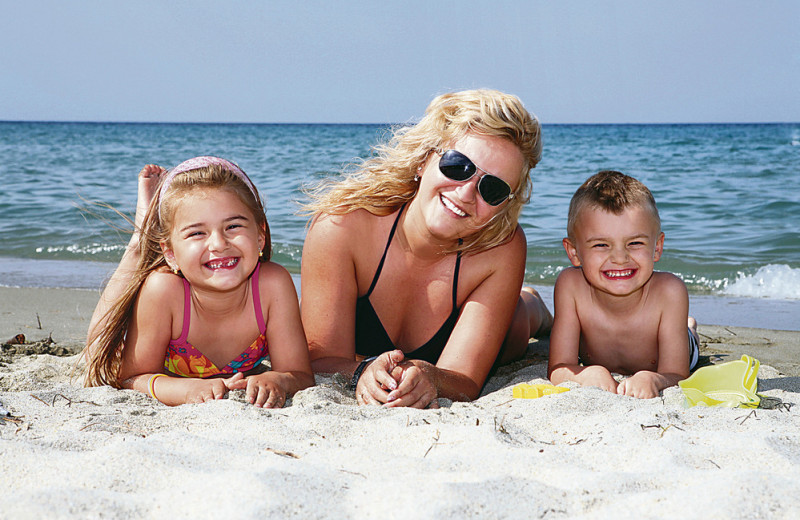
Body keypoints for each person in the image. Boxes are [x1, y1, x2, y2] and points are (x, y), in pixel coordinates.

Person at [301, 89, 552, 409]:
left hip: (510, 329)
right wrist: (362, 370)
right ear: (424, 160)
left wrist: (429, 376)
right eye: (458, 165)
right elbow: (320, 358)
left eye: (493, 188)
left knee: (521, 322)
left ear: (504, 206)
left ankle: (535, 306)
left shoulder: (501, 248)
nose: (465, 193)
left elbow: (466, 380)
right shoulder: (342, 227)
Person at [84, 156, 314, 407]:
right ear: (170, 254)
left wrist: (277, 379)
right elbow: (131, 377)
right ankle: (141, 239)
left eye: (233, 226)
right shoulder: (164, 290)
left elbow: (300, 374)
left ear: (260, 236)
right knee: (96, 348)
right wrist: (185, 389)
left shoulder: (272, 284)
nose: (219, 244)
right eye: (197, 233)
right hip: (128, 342)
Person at [547, 170, 700, 399]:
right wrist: (585, 375)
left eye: (635, 242)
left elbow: (678, 374)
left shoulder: (670, 293)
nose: (620, 258)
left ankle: (690, 329)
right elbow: (559, 368)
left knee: (687, 335)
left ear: (657, 247)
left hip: (682, 347)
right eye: (601, 245)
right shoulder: (571, 287)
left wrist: (654, 378)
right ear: (574, 252)